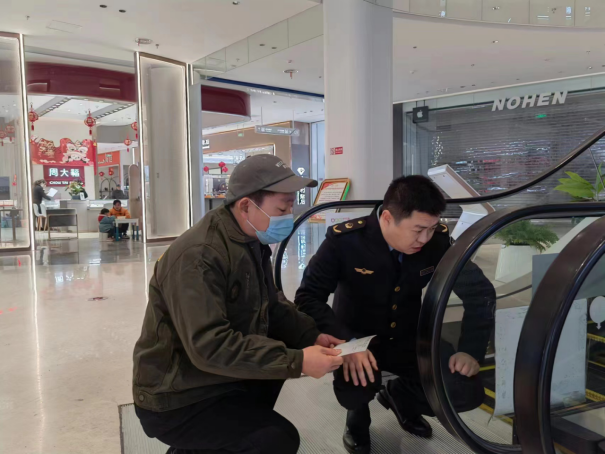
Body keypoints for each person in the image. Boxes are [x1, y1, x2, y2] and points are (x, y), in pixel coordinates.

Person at [132, 154, 344, 454]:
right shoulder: (199, 255)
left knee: (276, 358)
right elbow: (209, 345)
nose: (289, 215)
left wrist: (311, 336)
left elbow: (272, 306)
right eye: (282, 207)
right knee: (275, 440)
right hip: (177, 395)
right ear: (246, 205)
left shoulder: (249, 239)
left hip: (214, 378)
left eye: (291, 206)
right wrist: (298, 362)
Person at [295, 175, 496, 454]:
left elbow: (480, 293)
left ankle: (400, 396)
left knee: (464, 391)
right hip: (357, 340)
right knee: (355, 390)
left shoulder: (436, 242)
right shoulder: (345, 241)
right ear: (388, 218)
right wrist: (346, 343)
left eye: (432, 228)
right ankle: (358, 415)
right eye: (418, 230)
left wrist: (469, 351)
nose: (425, 239)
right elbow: (307, 297)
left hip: (409, 337)